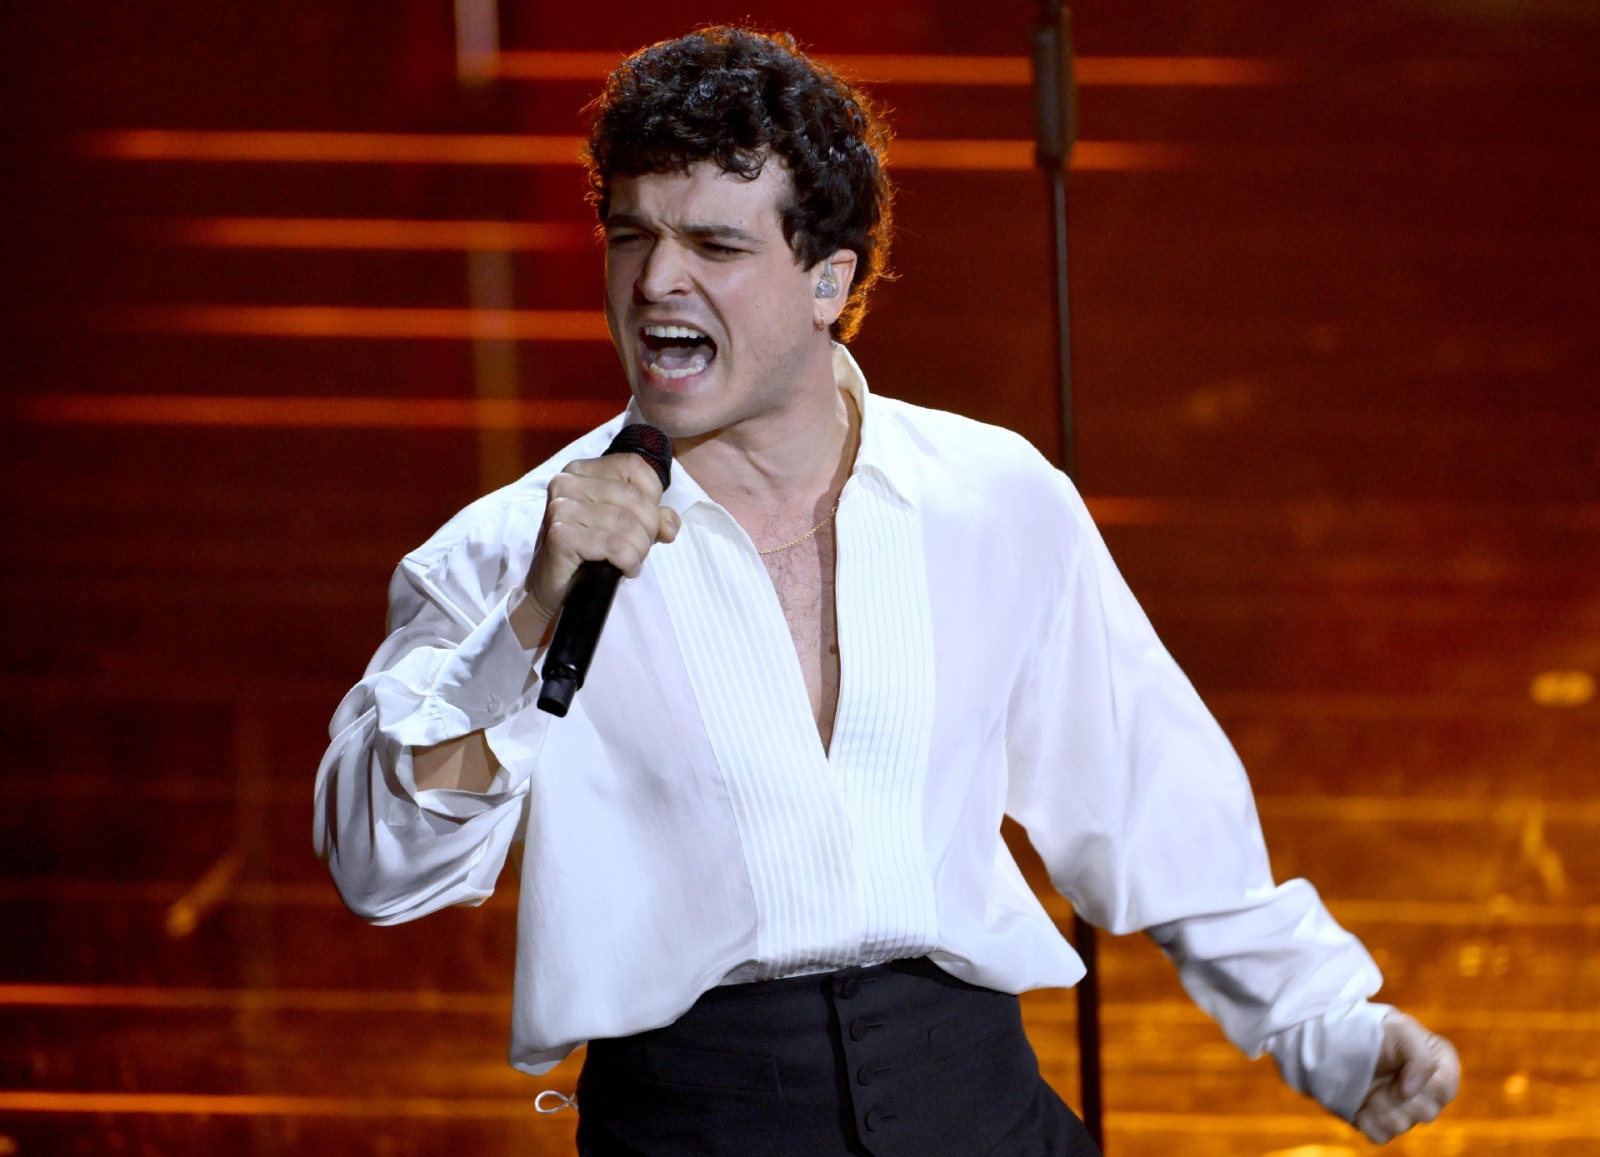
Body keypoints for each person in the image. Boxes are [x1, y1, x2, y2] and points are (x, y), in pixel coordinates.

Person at [315, 26, 1459, 1155]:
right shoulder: (511, 546)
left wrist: (1328, 1026)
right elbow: (381, 866)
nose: (658, 278)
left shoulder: (990, 495)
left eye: (714, 244)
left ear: (827, 280)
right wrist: (530, 615)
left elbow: (1147, 794)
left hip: (975, 1097)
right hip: (695, 1116)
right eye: (632, 237)